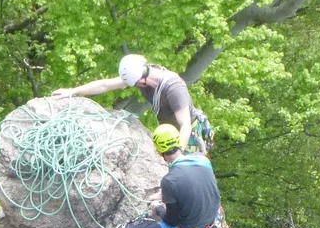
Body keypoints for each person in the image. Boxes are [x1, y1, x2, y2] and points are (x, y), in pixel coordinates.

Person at [77, 124, 221, 228]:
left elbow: (171, 221)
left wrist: (157, 208)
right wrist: (167, 195)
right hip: (210, 219)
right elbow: (195, 184)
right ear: (178, 142)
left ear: (158, 150)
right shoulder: (202, 160)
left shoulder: (169, 180)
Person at [52, 54, 212, 154]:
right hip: (169, 132)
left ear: (142, 78)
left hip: (189, 134)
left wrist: (179, 153)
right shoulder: (142, 74)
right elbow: (106, 85)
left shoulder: (173, 88)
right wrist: (73, 91)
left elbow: (185, 124)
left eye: (136, 83)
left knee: (189, 173)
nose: (136, 86)